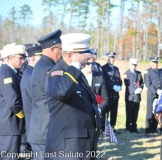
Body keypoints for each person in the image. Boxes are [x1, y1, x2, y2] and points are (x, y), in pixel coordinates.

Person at [44, 33, 101, 159]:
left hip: (81, 144)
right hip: (68, 147)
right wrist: (75, 65)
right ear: (70, 55)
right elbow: (61, 92)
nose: (87, 57)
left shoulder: (75, 72)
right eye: (83, 54)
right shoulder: (57, 72)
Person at [28, 29, 62, 159]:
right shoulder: (48, 68)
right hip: (44, 132)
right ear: (53, 49)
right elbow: (58, 95)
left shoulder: (44, 64)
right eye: (60, 49)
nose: (61, 52)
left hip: (42, 131)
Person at [0, 44, 26, 160]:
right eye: (20, 58)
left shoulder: (13, 72)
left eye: (23, 58)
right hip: (10, 124)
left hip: (11, 124)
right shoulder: (7, 74)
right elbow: (13, 103)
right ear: (10, 58)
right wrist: (23, 116)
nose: (23, 61)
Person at [20, 44, 42, 153]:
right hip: (36, 126)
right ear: (33, 59)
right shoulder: (30, 75)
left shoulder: (31, 72)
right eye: (40, 58)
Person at [81, 56, 108, 133]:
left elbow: (105, 98)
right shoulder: (78, 76)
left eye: (92, 63)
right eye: (88, 63)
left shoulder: (99, 77)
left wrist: (99, 109)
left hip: (95, 115)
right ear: (83, 64)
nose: (90, 65)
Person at [102, 52, 122, 133]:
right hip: (108, 94)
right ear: (107, 58)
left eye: (113, 58)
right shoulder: (103, 68)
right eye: (110, 58)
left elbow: (119, 79)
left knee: (114, 112)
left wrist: (120, 86)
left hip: (115, 95)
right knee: (106, 112)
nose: (112, 59)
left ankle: (113, 127)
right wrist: (113, 86)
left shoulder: (116, 69)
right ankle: (105, 128)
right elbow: (104, 81)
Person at [144, 57, 162, 133]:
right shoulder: (148, 72)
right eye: (154, 62)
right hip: (152, 94)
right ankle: (148, 128)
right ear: (150, 63)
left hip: (159, 95)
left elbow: (161, 82)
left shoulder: (160, 71)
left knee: (157, 111)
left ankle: (154, 127)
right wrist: (156, 91)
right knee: (150, 112)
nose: (156, 64)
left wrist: (161, 90)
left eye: (156, 62)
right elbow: (148, 83)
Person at [123, 58, 144, 133]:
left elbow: (142, 83)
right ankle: (128, 127)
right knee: (129, 112)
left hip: (137, 96)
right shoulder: (126, 73)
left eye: (135, 65)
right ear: (130, 64)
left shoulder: (139, 73)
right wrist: (134, 90)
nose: (134, 66)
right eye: (133, 65)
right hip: (130, 96)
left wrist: (140, 89)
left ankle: (134, 127)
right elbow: (127, 85)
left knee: (135, 112)